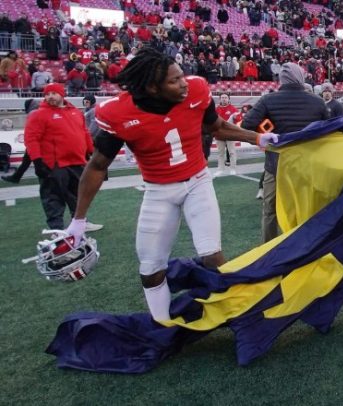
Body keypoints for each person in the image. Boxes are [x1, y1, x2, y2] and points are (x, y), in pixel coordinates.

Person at [65, 48, 277, 322]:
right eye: (174, 81)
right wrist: (78, 220)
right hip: (159, 191)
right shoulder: (119, 113)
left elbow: (217, 127)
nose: (184, 83)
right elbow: (97, 166)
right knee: (151, 268)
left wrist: (257, 138)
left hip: (198, 182)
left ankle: (240, 312)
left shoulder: (198, 90)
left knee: (212, 255)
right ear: (153, 88)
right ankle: (162, 326)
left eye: (181, 76)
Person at [242, 62, 329, 243]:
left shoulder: (268, 100)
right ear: (301, 77)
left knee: (270, 211)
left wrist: (267, 129)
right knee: (306, 209)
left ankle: (269, 251)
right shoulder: (318, 102)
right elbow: (330, 131)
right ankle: (306, 247)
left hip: (276, 164)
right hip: (307, 165)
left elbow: (246, 124)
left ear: (281, 79)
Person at [24, 83, 103, 232]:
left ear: (62, 94)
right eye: (47, 94)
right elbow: (31, 139)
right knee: (53, 198)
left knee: (78, 195)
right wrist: (37, 160)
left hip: (77, 160)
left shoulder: (75, 111)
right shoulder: (38, 114)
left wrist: (92, 152)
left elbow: (84, 133)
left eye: (54, 93)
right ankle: (56, 229)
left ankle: (80, 222)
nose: (50, 96)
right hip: (54, 163)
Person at [1, 99, 37, 184]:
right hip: (37, 141)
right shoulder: (38, 112)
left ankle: (16, 176)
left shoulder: (34, 114)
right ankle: (16, 176)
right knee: (27, 159)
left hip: (37, 141)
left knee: (30, 160)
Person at [214, 93, 239, 176]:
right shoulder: (216, 109)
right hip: (219, 134)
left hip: (230, 133)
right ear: (220, 99)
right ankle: (220, 169)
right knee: (220, 153)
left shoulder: (233, 109)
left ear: (228, 99)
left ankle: (233, 169)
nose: (224, 99)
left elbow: (237, 120)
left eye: (225, 97)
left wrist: (236, 117)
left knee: (232, 152)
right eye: (222, 97)